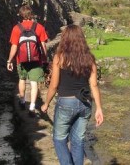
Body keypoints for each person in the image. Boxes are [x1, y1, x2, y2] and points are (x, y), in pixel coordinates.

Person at [41, 24, 104, 165]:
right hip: (85, 104)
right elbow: (94, 85)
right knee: (78, 140)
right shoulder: (89, 59)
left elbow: (54, 85)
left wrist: (46, 103)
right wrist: (99, 108)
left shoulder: (60, 57)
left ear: (65, 39)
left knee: (59, 139)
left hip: (66, 104)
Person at [7, 4, 48, 117]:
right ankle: (32, 107)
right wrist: (44, 59)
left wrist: (9, 61)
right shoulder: (39, 27)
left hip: (21, 60)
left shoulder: (16, 28)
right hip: (36, 61)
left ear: (21, 15)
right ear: (31, 14)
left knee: (22, 79)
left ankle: (22, 101)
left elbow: (14, 46)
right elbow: (43, 46)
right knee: (34, 83)